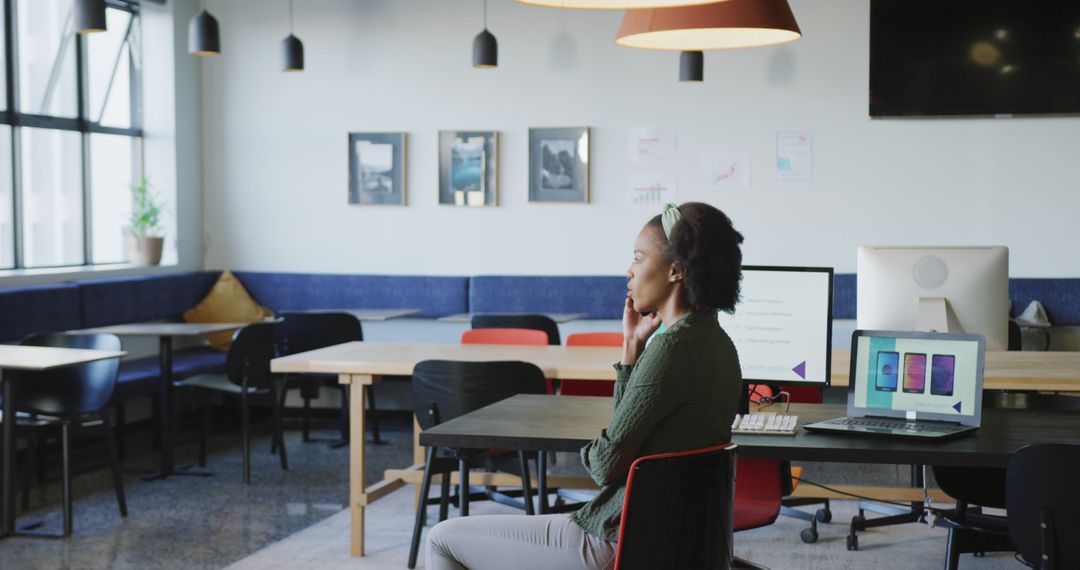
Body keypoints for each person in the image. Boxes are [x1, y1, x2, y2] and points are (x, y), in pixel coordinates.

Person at [426, 202, 745, 570]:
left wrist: (595, 451)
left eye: (639, 258)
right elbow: (633, 432)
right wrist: (630, 350)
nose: (629, 270)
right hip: (671, 539)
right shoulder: (716, 342)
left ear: (675, 270)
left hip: (616, 539)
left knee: (442, 540)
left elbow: (604, 464)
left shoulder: (673, 348)